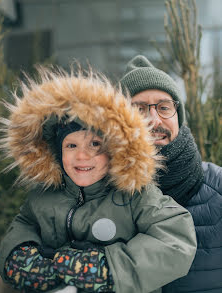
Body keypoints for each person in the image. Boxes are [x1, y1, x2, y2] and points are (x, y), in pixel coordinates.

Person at [0, 66, 197, 293]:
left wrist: (106, 268)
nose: (82, 155)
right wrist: (21, 258)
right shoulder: (44, 195)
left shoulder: (133, 194)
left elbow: (175, 239)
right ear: (57, 152)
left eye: (94, 144)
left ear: (113, 151)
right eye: (71, 145)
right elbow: (24, 225)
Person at [119, 55, 222, 293]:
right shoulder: (97, 194)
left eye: (164, 107)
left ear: (178, 116)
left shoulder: (218, 190)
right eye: (139, 109)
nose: (154, 120)